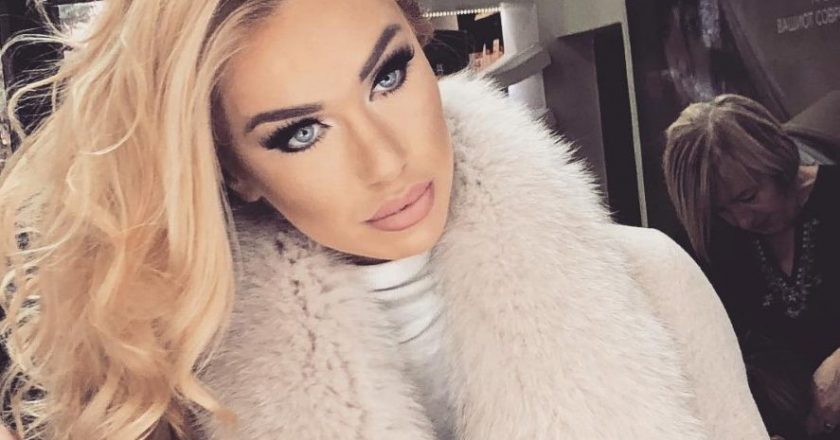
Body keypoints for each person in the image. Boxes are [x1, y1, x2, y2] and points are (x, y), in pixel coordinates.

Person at [0, 0, 767, 439]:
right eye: (300, 131)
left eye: (389, 75)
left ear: (424, 47)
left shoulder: (650, 284)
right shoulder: (178, 400)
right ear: (235, 169)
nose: (386, 161)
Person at [663, 93, 840, 439]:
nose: (743, 220)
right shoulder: (712, 242)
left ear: (777, 159)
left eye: (748, 197)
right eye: (722, 210)